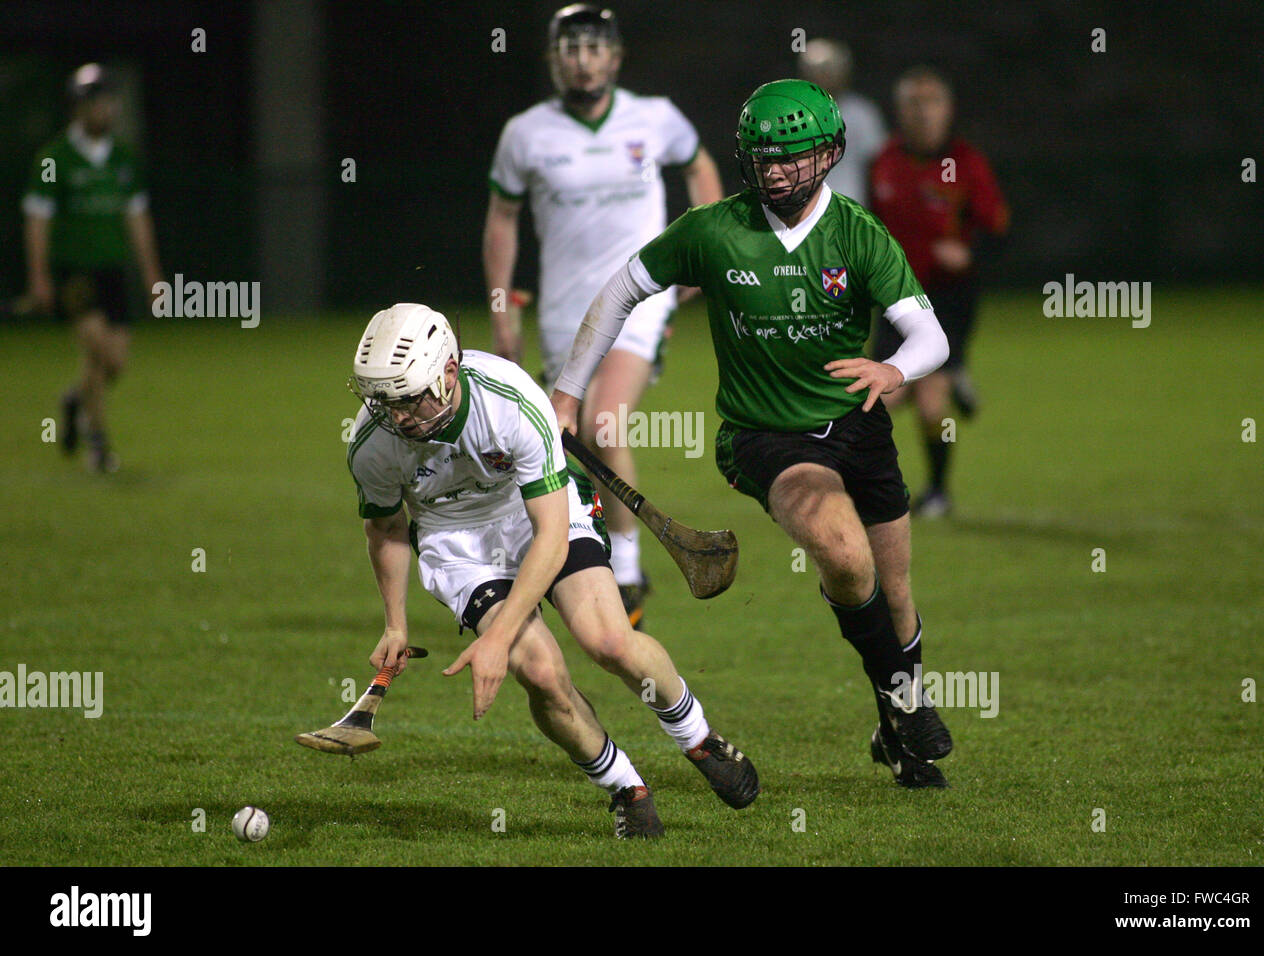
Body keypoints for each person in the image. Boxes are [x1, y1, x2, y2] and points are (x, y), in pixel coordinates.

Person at [552, 80, 954, 788]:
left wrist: (892, 370)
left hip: (860, 428)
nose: (776, 171)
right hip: (767, 437)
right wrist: (567, 393)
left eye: (794, 157)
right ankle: (909, 702)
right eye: (763, 157)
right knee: (841, 549)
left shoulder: (858, 234)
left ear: (830, 154)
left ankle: (897, 734)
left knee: (893, 595)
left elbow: (931, 337)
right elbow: (622, 288)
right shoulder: (714, 229)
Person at [348, 303, 758, 839]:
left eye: (410, 399)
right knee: (539, 671)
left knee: (608, 640)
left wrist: (496, 638)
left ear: (449, 373)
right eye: (384, 402)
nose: (399, 417)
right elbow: (387, 530)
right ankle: (626, 790)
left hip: (536, 513)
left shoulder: (510, 400)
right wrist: (396, 624)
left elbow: (548, 534)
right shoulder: (372, 443)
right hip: (456, 545)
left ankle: (697, 736)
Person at [484, 3, 724, 628]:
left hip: (639, 304)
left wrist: (701, 254)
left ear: (615, 57)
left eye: (594, 49)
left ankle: (630, 566)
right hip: (565, 316)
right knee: (566, 442)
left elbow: (700, 168)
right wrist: (501, 303)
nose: (583, 60)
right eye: (570, 49)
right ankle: (577, 557)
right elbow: (503, 219)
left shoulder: (656, 117)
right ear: (553, 59)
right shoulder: (526, 133)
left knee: (606, 424)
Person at [870, 66, 1010, 517]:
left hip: (947, 300)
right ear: (900, 110)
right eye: (915, 102)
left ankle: (937, 491)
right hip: (895, 299)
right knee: (879, 402)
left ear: (947, 110)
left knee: (930, 405)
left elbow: (998, 227)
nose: (923, 112)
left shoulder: (966, 163)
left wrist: (968, 252)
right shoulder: (883, 163)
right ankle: (874, 491)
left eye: (932, 102)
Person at [22, 64, 163, 473]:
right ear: (77, 109)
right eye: (93, 102)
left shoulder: (123, 158)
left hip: (113, 269)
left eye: (106, 101)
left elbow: (137, 218)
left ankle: (75, 399)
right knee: (97, 348)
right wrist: (39, 276)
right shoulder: (54, 158)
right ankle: (98, 444)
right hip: (74, 272)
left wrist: (153, 274)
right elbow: (37, 220)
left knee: (114, 362)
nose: (102, 109)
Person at [797, 38, 887, 207]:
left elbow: (878, 167)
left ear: (844, 72)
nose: (822, 76)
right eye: (815, 70)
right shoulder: (791, 113)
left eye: (828, 69)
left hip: (851, 213)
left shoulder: (863, 113)